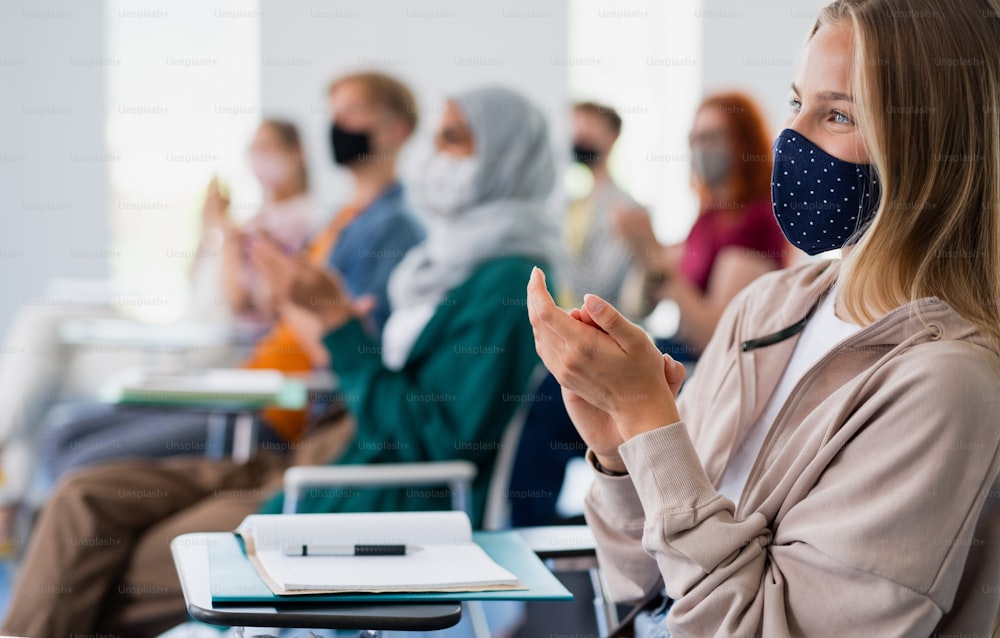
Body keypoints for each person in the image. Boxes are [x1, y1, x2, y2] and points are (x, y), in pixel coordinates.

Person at [1, 85, 558, 638]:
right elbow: (394, 386)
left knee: (96, 575)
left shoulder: (509, 285)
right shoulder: (443, 261)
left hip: (365, 491)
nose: (434, 156)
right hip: (316, 452)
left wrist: (339, 328)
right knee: (80, 498)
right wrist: (327, 321)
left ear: (506, 158)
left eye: (453, 139)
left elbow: (438, 442)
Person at [527, 0, 1000, 636]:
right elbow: (640, 579)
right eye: (795, 102)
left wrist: (648, 416)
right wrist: (620, 451)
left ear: (932, 148)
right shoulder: (770, 307)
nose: (792, 140)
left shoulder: (947, 383)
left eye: (837, 114)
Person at [42, 71, 426, 476]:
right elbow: (285, 312)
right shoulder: (339, 221)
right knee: (65, 433)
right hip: (248, 383)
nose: (337, 125)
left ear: (396, 130)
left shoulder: (392, 230)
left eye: (354, 111)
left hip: (279, 411)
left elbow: (347, 352)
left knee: (81, 458)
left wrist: (285, 294)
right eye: (335, 112)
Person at [616, 91, 789, 359]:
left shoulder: (758, 220)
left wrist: (660, 265)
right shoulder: (708, 217)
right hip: (678, 351)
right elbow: (637, 307)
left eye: (712, 138)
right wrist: (644, 252)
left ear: (745, 142)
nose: (700, 149)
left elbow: (717, 337)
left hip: (708, 367)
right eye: (694, 139)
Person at [189, 119, 314, 325]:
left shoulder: (300, 219)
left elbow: (241, 301)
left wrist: (228, 239)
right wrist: (208, 225)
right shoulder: (256, 219)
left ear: (297, 151)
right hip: (208, 327)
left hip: (241, 341)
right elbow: (195, 279)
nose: (259, 157)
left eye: (267, 147)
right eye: (253, 149)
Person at [560, 101, 645, 310]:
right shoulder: (572, 203)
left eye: (589, 126)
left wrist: (548, 253)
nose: (579, 135)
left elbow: (600, 287)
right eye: (576, 126)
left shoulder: (625, 208)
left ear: (612, 137)